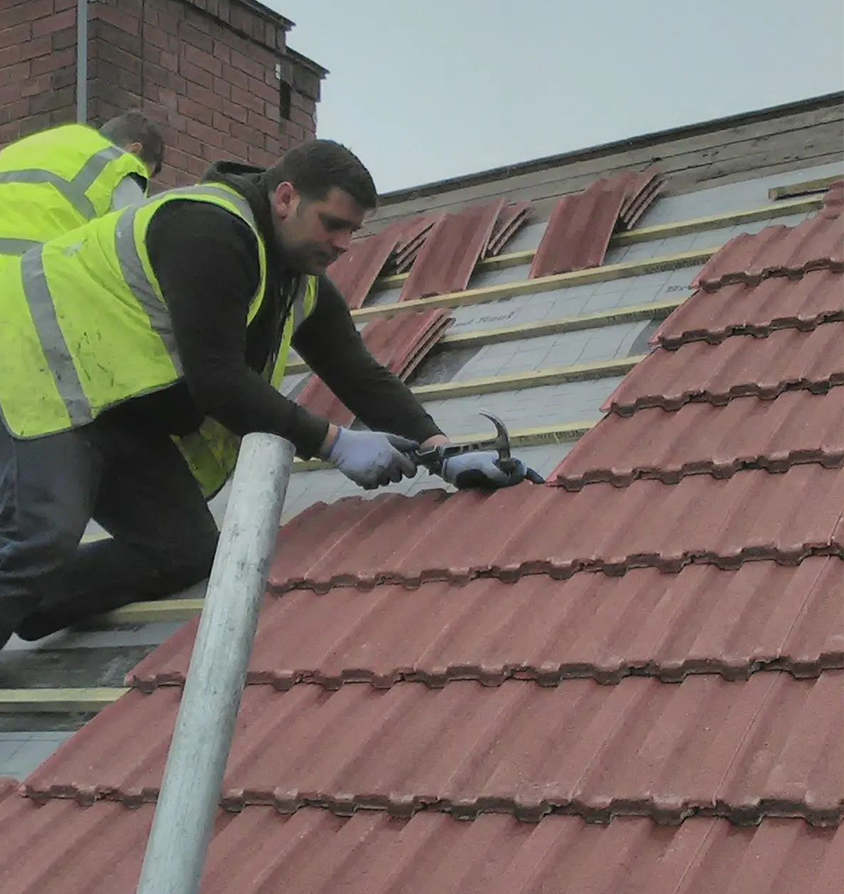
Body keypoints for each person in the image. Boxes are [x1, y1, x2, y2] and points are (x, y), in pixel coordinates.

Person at [0, 139, 527, 650]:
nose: (344, 244)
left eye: (353, 231)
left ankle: (26, 606)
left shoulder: (297, 277)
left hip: (119, 405)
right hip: (43, 375)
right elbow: (218, 381)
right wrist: (333, 442)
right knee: (43, 536)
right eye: (333, 224)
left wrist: (443, 452)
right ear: (286, 198)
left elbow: (357, 373)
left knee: (184, 551)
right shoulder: (207, 230)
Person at [0, 111, 164, 265]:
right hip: (29, 280)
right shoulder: (123, 164)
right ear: (134, 150)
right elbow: (126, 252)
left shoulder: (33, 147)